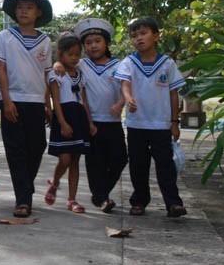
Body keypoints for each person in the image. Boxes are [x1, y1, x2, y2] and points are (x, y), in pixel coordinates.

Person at [114, 17, 187, 218]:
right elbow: (125, 84)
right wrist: (128, 98)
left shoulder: (167, 64)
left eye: (143, 33)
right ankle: (139, 201)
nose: (138, 38)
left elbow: (173, 94)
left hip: (161, 124)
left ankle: (173, 203)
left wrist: (174, 122)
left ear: (156, 36)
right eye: (134, 35)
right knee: (138, 165)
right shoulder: (129, 62)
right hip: (137, 124)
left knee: (165, 165)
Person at [0, 0, 53, 218]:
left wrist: (48, 105)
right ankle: (23, 200)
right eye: (20, 7)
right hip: (12, 100)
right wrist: (7, 100)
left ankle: (25, 187)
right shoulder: (5, 36)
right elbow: (1, 69)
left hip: (36, 101)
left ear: (38, 12)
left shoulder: (45, 41)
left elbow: (46, 74)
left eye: (29, 7)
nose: (24, 11)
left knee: (37, 146)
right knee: (15, 150)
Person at [74, 18, 127, 213]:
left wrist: (120, 103)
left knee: (120, 159)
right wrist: (57, 65)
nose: (93, 46)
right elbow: (63, 63)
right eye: (88, 43)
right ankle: (102, 198)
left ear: (107, 43)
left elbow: (127, 88)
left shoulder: (119, 65)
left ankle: (99, 194)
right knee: (95, 163)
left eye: (97, 41)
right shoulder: (81, 65)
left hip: (113, 122)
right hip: (91, 123)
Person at [45, 34, 96, 214]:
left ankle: (72, 199)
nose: (74, 58)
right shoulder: (56, 74)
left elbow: (84, 100)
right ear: (60, 54)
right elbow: (56, 101)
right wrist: (62, 123)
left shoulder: (80, 75)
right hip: (64, 118)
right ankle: (55, 182)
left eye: (77, 54)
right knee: (65, 159)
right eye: (70, 54)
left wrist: (90, 122)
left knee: (75, 160)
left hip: (79, 118)